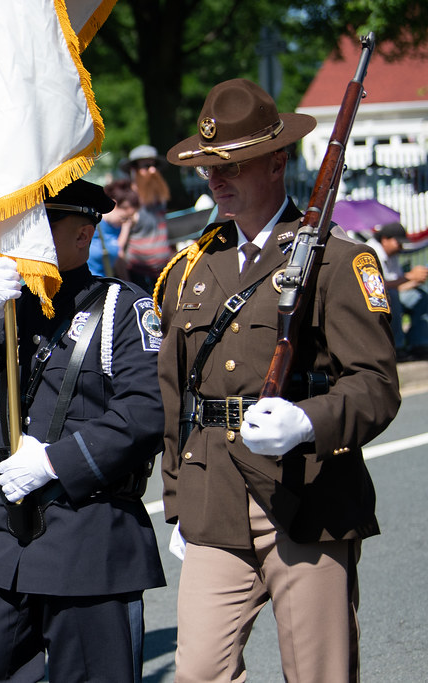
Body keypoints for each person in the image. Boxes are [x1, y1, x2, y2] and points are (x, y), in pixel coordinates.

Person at [156, 78, 400, 682]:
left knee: (318, 672)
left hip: (305, 494)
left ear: (276, 161)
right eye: (210, 166)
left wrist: (308, 421)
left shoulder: (339, 258)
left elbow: (375, 383)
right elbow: (175, 392)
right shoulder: (195, 268)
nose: (217, 179)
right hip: (212, 497)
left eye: (233, 164)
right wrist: (178, 501)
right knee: (197, 673)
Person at [0, 179, 166, 682]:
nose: (28, 237)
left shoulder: (120, 307)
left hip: (88, 533)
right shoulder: (9, 305)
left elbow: (146, 412)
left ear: (84, 233)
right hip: (2, 536)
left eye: (44, 223)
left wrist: (56, 461)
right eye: (24, 225)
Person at [366, 221, 428, 360]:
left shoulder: (392, 253)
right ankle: (397, 348)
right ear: (385, 240)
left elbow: (398, 285)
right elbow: (378, 286)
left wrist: (414, 281)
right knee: (392, 297)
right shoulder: (370, 252)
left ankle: (419, 344)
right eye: (397, 242)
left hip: (392, 292)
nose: (400, 246)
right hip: (374, 298)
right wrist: (409, 276)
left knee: (421, 296)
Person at [119, 144, 174, 291]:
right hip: (139, 275)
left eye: (154, 165)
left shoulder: (160, 195)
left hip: (163, 270)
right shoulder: (127, 201)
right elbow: (118, 245)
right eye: (146, 166)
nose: (153, 170)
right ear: (134, 170)